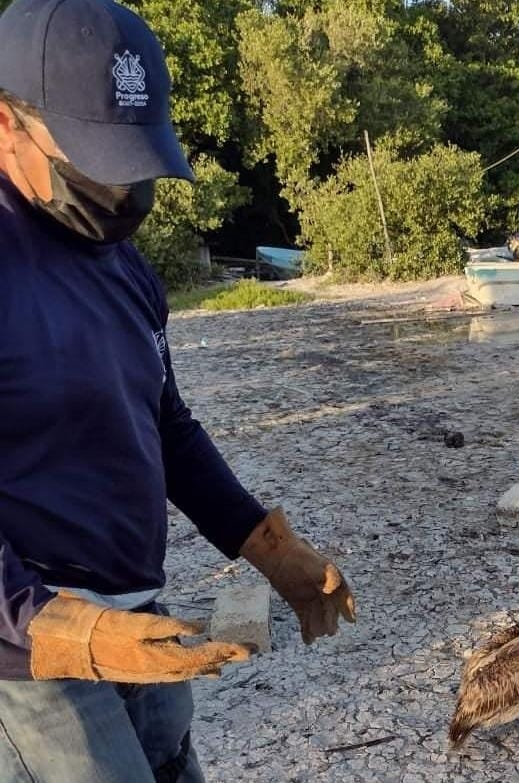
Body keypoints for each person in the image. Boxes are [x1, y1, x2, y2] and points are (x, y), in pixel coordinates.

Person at [0, 0, 356, 780]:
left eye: (132, 160)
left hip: (138, 612)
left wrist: (270, 547)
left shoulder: (125, 265)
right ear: (6, 124)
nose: (122, 192)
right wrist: (60, 632)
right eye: (94, 158)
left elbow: (163, 422)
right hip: (27, 656)